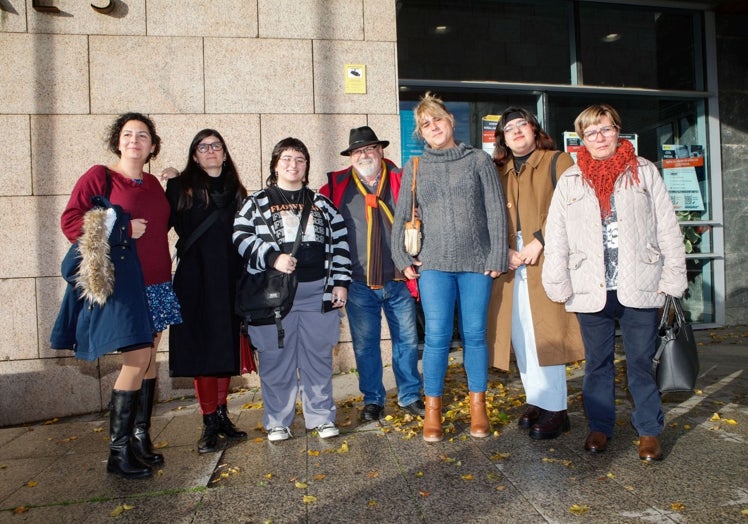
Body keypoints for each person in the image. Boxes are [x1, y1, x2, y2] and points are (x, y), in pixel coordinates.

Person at [542, 104, 687, 461]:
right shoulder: (571, 179)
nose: (599, 138)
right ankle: (600, 427)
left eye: (605, 129)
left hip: (640, 282)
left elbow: (667, 226)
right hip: (591, 286)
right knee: (597, 363)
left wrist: (673, 277)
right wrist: (557, 280)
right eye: (591, 133)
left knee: (640, 362)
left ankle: (649, 430)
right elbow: (556, 234)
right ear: (582, 139)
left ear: (618, 131)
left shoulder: (643, 171)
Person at [57, 113, 182, 478]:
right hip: (125, 284)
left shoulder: (153, 185)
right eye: (128, 135)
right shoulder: (101, 176)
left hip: (158, 281)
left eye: (142, 135)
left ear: (152, 146)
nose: (134, 141)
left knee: (148, 359)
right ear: (118, 141)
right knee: (136, 357)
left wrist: (172, 183)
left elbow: (161, 222)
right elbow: (71, 222)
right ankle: (118, 451)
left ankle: (140, 437)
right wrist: (124, 227)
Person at [391, 92, 508, 442]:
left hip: (476, 264)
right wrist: (402, 259)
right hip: (435, 266)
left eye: (437, 120)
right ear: (421, 134)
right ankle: (433, 413)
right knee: (438, 337)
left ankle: (478, 409)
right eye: (426, 125)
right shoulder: (414, 168)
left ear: (450, 121)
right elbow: (400, 221)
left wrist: (497, 255)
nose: (433, 127)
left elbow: (496, 211)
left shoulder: (478, 161)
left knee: (474, 335)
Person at [233, 137, 351, 442]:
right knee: (275, 360)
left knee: (318, 359)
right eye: (286, 158)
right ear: (275, 164)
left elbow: (340, 244)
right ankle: (277, 422)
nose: (293, 164)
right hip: (274, 298)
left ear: (306, 166)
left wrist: (340, 282)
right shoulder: (256, 202)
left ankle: (322, 418)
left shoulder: (322, 204)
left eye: (300, 159)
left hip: (318, 294)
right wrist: (273, 258)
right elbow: (240, 237)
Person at [487, 108, 585, 440]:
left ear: (534, 129)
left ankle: (557, 409)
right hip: (511, 266)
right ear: (501, 138)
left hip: (546, 260)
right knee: (521, 335)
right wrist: (505, 250)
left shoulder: (559, 162)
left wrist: (539, 241)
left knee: (546, 333)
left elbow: (573, 207)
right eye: (508, 128)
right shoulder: (499, 172)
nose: (515, 132)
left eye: (521, 125)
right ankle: (538, 401)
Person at [320, 126, 424, 423]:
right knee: (365, 346)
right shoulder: (335, 187)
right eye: (357, 151)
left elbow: (423, 217)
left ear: (381, 151)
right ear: (351, 157)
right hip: (358, 282)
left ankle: (409, 394)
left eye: (369, 149)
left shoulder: (403, 180)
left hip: (400, 279)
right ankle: (373, 399)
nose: (364, 154)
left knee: (406, 341)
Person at [165, 129, 248, 454]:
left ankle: (223, 415)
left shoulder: (238, 191)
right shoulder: (179, 187)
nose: (211, 151)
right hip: (195, 280)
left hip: (229, 279)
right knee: (202, 349)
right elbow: (159, 226)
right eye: (203, 147)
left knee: (224, 347)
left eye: (216, 146)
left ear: (225, 154)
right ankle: (208, 420)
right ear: (195, 155)